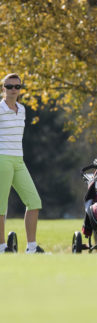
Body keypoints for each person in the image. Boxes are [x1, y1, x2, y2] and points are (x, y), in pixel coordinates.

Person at [0, 73, 44, 253]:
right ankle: (2, 247)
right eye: (9, 86)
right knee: (1, 206)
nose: (13, 90)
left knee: (34, 202)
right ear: (3, 88)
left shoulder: (22, 109)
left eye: (17, 86)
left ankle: (32, 247)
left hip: (19, 160)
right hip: (2, 159)